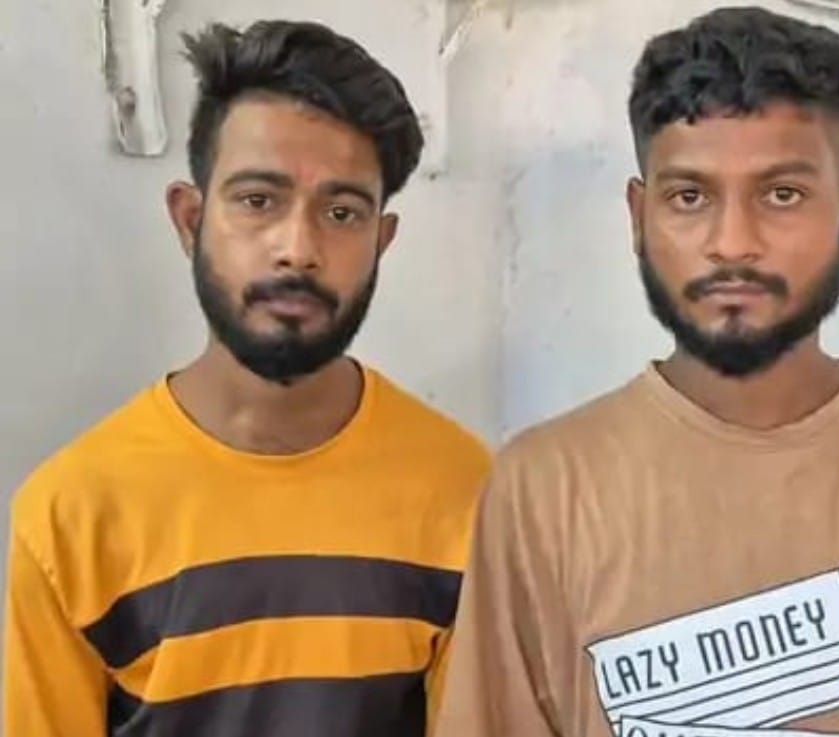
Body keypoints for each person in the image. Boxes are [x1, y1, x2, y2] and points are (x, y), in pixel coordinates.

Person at [434, 7, 839, 737]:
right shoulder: (542, 490)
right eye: (689, 197)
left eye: (782, 194)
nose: (733, 243)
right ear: (638, 217)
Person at [3, 19, 489, 737]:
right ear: (190, 220)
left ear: (381, 241)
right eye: (259, 200)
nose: (298, 248)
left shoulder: (468, 495)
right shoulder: (71, 516)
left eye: (342, 212)